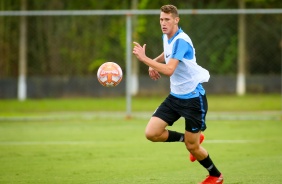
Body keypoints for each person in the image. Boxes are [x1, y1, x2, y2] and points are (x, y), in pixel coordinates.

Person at [132, 4, 223, 184]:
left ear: (176, 20)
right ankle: (187, 139)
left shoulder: (182, 40)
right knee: (151, 133)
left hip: (193, 99)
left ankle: (215, 175)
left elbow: (169, 70)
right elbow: (167, 54)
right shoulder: (168, 36)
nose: (163, 23)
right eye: (161, 19)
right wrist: (153, 62)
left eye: (167, 19)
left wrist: (145, 59)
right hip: (175, 97)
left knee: (193, 147)